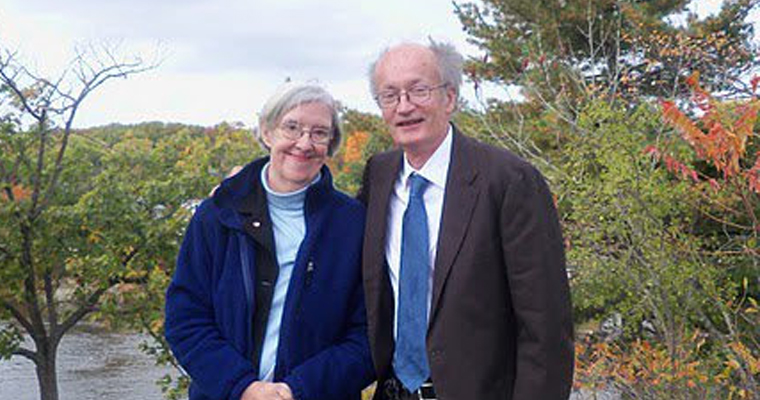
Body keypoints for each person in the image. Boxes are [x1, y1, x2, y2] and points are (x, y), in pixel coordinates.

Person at [357, 40, 574, 400]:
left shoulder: (509, 181)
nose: (404, 106)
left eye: (419, 90)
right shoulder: (378, 177)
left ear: (450, 98)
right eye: (390, 95)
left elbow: (546, 328)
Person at [165, 83, 375, 400]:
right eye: (292, 127)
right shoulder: (220, 214)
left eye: (319, 133)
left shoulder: (352, 224)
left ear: (331, 144)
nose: (304, 144)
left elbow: (368, 336)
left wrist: (297, 390)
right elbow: (186, 318)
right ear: (267, 132)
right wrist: (243, 388)